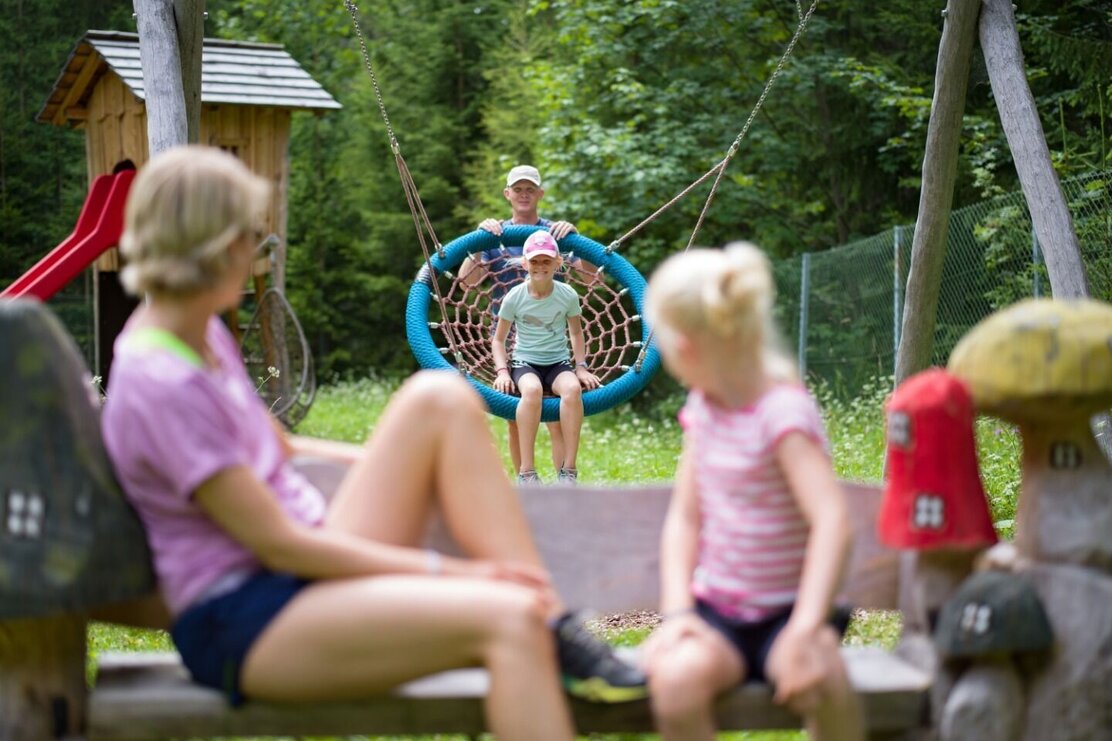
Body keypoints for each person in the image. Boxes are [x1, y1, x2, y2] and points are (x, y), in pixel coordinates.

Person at [99, 146, 647, 739]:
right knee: (509, 620)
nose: (255, 253)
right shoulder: (162, 382)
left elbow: (278, 452)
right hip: (248, 615)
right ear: (212, 246)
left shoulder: (199, 332)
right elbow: (281, 548)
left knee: (437, 399)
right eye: (247, 236)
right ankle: (541, 616)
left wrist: (423, 476)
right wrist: (451, 574)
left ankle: (552, 615)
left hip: (299, 567)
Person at [640, 244, 864, 741]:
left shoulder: (781, 413)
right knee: (675, 684)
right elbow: (685, 519)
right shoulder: (703, 410)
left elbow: (833, 521)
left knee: (824, 680)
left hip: (792, 615)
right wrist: (677, 614)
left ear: (686, 348)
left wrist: (807, 631)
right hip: (718, 614)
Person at [460, 165, 590, 478]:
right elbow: (467, 283)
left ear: (540, 194)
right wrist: (478, 242)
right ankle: (526, 480)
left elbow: (591, 279)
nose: (523, 194)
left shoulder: (553, 235)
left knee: (556, 414)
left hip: (552, 338)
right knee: (516, 414)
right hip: (510, 341)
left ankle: (564, 480)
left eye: (530, 189)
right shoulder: (495, 235)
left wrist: (576, 238)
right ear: (507, 194)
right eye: (517, 189)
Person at [492, 230, 600, 484]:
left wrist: (581, 367)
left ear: (557, 263)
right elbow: (498, 340)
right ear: (524, 263)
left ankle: (569, 470)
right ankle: (527, 472)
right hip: (524, 363)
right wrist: (502, 371)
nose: (540, 266)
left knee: (573, 390)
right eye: (535, 261)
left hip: (558, 363)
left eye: (546, 260)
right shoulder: (515, 297)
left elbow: (576, 333)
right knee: (531, 392)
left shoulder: (567, 294)